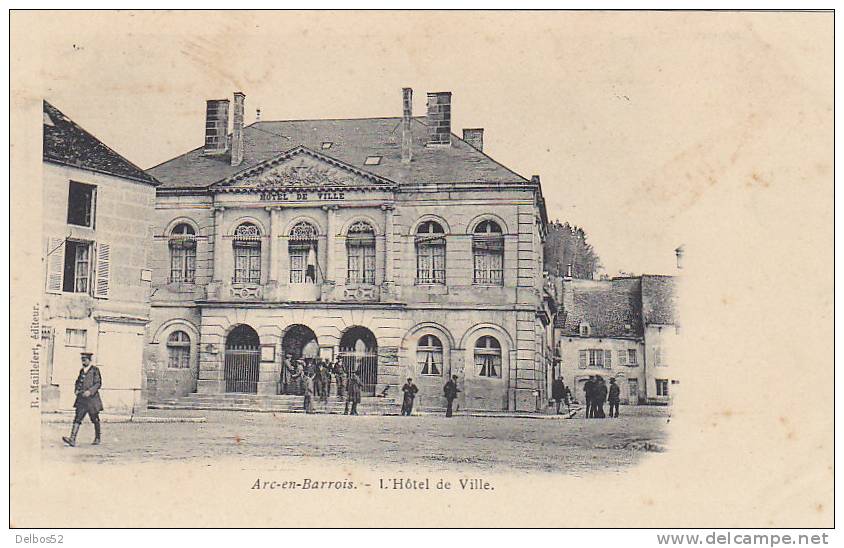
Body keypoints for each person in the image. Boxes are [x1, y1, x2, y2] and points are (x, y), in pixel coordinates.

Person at [62, 352, 103, 447]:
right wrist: (76, 390)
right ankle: (72, 439)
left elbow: (98, 383)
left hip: (92, 400)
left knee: (95, 419)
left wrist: (90, 391)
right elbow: (77, 382)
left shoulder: (95, 370)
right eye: (82, 360)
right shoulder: (81, 371)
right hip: (81, 400)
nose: (83, 362)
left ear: (89, 360)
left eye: (85, 360)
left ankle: (97, 438)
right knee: (77, 418)